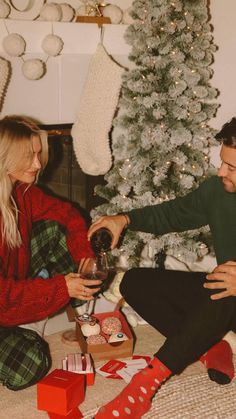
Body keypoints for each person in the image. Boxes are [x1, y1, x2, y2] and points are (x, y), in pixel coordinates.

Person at [88, 117, 236, 418]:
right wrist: (124, 219)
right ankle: (211, 345)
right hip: (226, 297)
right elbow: (175, 213)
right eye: (223, 162)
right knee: (135, 283)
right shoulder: (220, 191)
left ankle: (143, 387)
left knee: (221, 286)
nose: (221, 171)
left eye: (232, 168)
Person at [0, 115, 102, 391]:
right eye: (28, 156)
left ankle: (76, 319)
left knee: (56, 230)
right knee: (30, 365)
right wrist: (60, 287)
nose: (37, 164)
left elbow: (69, 215)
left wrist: (85, 256)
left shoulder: (22, 193)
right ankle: (27, 325)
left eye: (37, 154)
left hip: (12, 291)